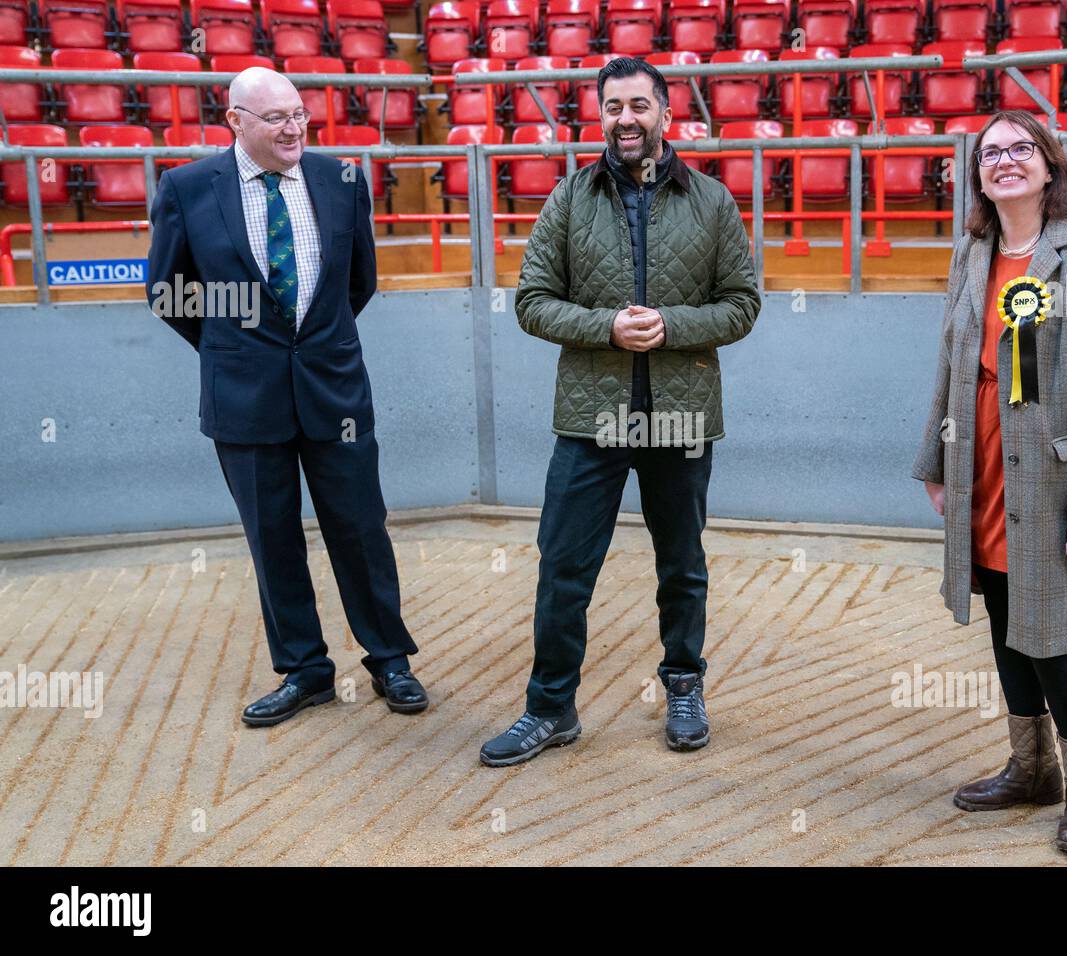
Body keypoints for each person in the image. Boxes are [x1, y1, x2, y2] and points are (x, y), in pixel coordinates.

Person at [479, 57, 761, 766]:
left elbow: (743, 304)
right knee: (564, 566)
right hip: (592, 417)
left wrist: (673, 327)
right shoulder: (569, 198)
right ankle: (549, 708)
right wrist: (605, 326)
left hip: (681, 417)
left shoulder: (712, 201)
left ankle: (685, 687)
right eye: (612, 107)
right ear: (599, 115)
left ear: (667, 114)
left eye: (639, 105)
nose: (625, 119)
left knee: (681, 565)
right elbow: (531, 301)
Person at [146, 67, 428, 727]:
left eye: (299, 113)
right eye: (275, 118)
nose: (294, 127)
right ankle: (305, 671)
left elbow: (359, 283)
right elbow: (170, 293)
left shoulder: (342, 179)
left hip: (335, 390)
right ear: (236, 121)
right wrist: (235, 346)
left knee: (361, 530)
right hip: (243, 397)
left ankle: (390, 658)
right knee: (272, 539)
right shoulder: (186, 188)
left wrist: (312, 345)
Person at [911, 110, 1067, 852]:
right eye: (989, 153)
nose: (1004, 161)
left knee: (1051, 633)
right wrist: (935, 460)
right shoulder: (971, 250)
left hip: (1048, 469)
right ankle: (1029, 767)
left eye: (1020, 149)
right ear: (978, 174)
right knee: (1008, 619)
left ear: (1048, 165)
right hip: (979, 452)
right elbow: (947, 361)